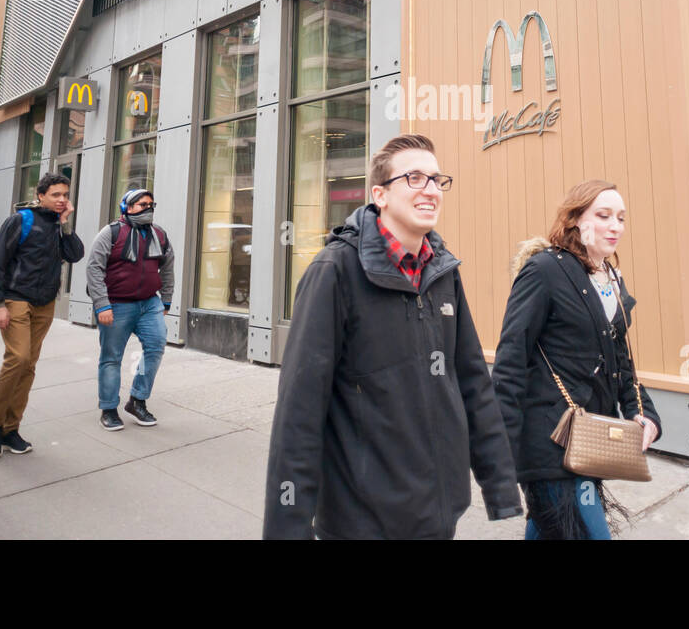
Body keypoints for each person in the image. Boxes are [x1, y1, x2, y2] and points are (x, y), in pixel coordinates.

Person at [263, 133, 522, 539]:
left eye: (437, 180)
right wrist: (287, 529)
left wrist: (500, 484)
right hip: (362, 520)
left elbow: (471, 381)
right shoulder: (335, 271)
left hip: (439, 512)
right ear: (379, 195)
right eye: (415, 178)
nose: (431, 190)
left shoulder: (442, 272)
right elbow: (299, 411)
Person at [492, 179, 662, 539]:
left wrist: (641, 412)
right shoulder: (544, 270)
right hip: (547, 443)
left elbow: (622, 362)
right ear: (575, 221)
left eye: (621, 217)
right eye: (603, 215)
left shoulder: (612, 279)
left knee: (545, 530)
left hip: (590, 439)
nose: (615, 226)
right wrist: (498, 446)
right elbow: (510, 359)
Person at [0, 172, 83, 459]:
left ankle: (10, 429)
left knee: (29, 366)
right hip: (15, 299)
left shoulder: (57, 226)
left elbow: (75, 254)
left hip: (44, 303)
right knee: (18, 359)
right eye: (56, 195)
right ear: (40, 195)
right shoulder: (20, 221)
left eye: (65, 195)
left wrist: (64, 224)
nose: (62, 199)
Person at [86, 188, 174, 430]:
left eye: (151, 204)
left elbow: (167, 267)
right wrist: (102, 304)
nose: (148, 208)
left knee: (155, 347)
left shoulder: (159, 234)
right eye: (142, 204)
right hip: (116, 304)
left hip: (150, 303)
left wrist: (166, 300)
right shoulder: (111, 232)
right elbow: (94, 269)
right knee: (111, 358)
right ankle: (108, 408)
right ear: (127, 207)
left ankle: (137, 400)